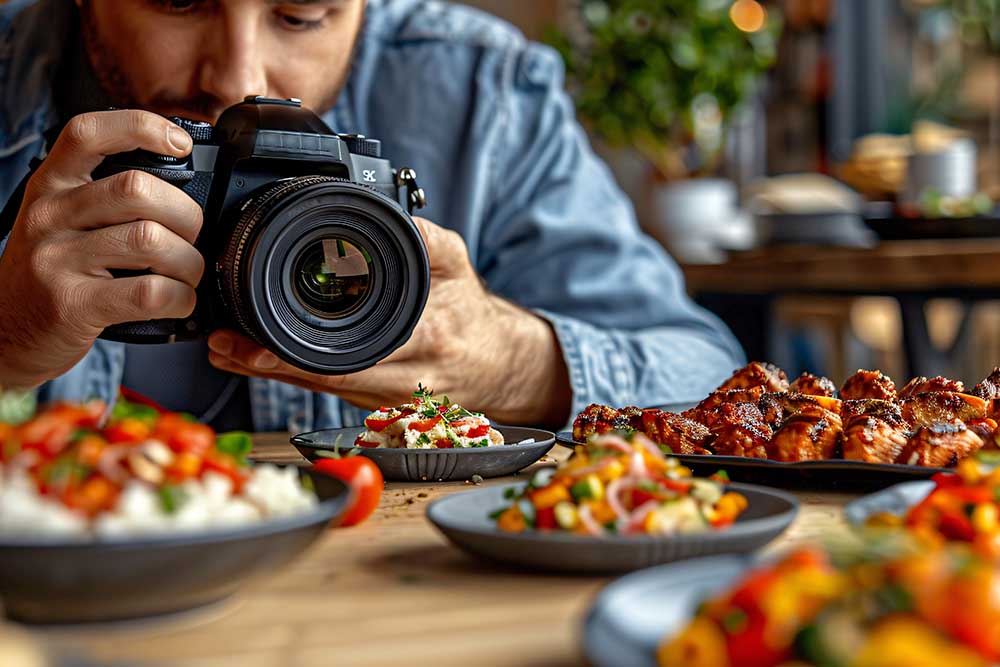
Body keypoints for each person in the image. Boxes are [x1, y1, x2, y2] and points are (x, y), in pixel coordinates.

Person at [0, 0, 743, 433]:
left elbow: (709, 376)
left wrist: (507, 361)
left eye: (301, 13)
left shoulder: (481, 93)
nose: (236, 78)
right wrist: (7, 342)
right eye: (179, 2)